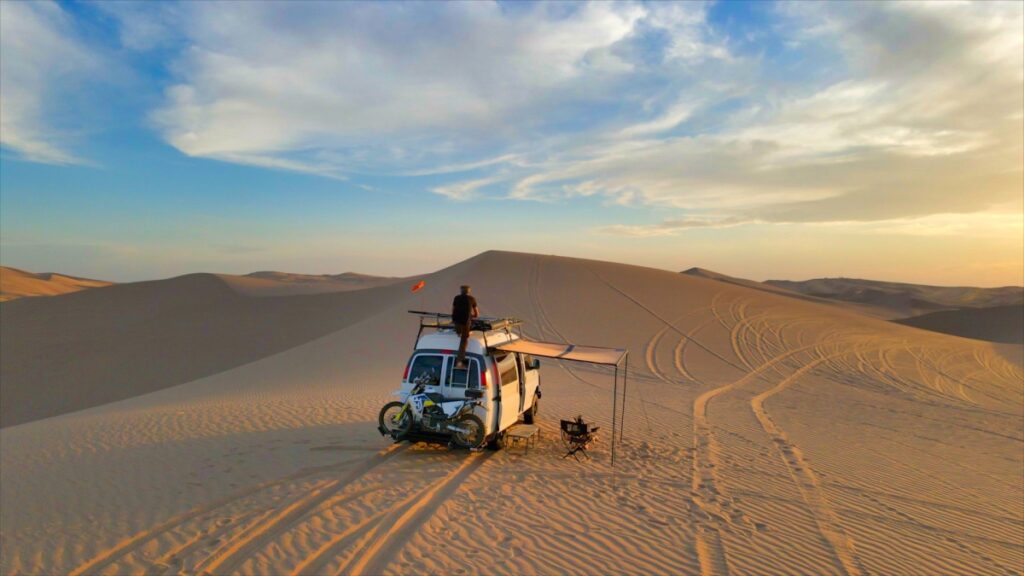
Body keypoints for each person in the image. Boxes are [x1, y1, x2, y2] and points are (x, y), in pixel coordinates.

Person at [451, 285, 479, 368]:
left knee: (460, 333)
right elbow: (477, 314)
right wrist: (471, 316)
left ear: (461, 291)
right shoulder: (472, 299)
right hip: (465, 323)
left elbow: (453, 310)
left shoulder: (456, 298)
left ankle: (458, 332)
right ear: (469, 291)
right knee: (464, 341)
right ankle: (459, 362)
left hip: (456, 322)